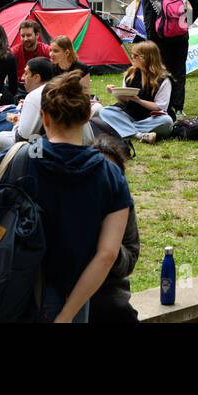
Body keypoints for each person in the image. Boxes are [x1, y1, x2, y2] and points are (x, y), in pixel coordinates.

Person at [0, 70, 130, 323]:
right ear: (87, 116)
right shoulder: (110, 174)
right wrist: (66, 315)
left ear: (43, 117)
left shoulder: (9, 161)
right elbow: (107, 254)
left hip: (4, 293)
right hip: (71, 296)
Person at [89, 135, 142, 324]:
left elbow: (131, 256)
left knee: (117, 311)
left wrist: (112, 249)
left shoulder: (123, 203)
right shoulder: (75, 198)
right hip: (69, 288)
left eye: (111, 173)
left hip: (109, 288)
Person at [141, 0, 196, 116]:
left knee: (162, 69)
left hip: (161, 34)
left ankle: (164, 103)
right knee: (179, 70)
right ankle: (178, 107)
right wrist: (187, 24)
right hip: (181, 33)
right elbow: (195, 6)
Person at [97, 42, 177, 144]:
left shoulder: (163, 79)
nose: (132, 57)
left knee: (166, 121)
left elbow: (160, 107)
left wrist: (139, 101)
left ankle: (122, 128)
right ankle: (138, 135)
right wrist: (115, 92)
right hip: (130, 114)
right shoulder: (130, 74)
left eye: (136, 56)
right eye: (132, 54)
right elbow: (124, 102)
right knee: (104, 111)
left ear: (147, 58)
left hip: (151, 117)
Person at [0, 57, 60, 150]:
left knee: (1, 137)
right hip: (74, 148)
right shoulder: (59, 89)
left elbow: (22, 137)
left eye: (26, 73)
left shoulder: (35, 96)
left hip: (46, 149)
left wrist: (17, 123)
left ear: (36, 77)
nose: (23, 77)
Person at [12, 20, 51, 92]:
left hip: (42, 88)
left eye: (29, 35)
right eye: (22, 36)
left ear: (37, 35)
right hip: (20, 88)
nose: (25, 39)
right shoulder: (14, 52)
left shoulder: (47, 51)